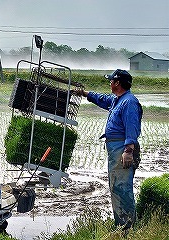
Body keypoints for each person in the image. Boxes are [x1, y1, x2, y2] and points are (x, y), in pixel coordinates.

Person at [77, 69, 142, 231]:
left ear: (117, 83)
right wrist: (85, 93)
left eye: (111, 80)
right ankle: (121, 225)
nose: (110, 83)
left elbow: (132, 127)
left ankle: (127, 228)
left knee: (122, 187)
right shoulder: (117, 100)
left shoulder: (129, 102)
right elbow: (103, 99)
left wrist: (128, 150)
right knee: (116, 187)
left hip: (122, 148)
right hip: (115, 148)